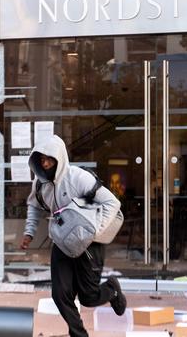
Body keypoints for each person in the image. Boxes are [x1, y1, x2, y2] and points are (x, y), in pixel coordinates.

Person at [20, 135, 127, 337]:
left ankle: (112, 289)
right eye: (41, 159)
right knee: (60, 295)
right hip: (62, 242)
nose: (45, 163)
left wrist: (96, 230)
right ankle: (79, 334)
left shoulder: (78, 178)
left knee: (89, 297)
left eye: (49, 159)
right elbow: (34, 206)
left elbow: (112, 203)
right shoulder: (40, 184)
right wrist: (29, 232)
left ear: (59, 158)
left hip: (89, 244)